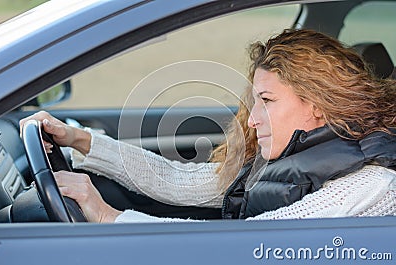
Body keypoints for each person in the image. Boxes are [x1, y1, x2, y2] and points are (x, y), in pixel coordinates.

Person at [20, 29, 396, 223]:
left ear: (317, 105)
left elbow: (249, 247)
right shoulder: (298, 155)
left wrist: (107, 216)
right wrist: (82, 141)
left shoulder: (370, 186)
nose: (251, 119)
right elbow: (186, 181)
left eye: (267, 101)